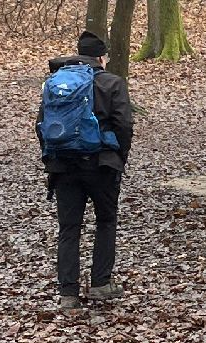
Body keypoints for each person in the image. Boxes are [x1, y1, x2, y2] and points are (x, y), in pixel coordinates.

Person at [37, 31, 134, 309]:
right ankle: (101, 284)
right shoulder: (112, 83)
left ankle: (68, 293)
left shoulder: (56, 84)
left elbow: (41, 125)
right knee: (105, 221)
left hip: (63, 165)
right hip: (102, 165)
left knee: (69, 228)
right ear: (101, 57)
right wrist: (119, 156)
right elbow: (124, 125)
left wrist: (52, 157)